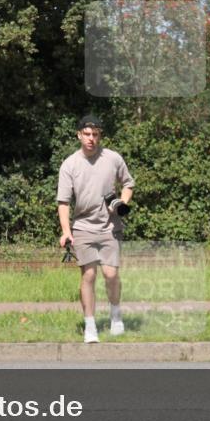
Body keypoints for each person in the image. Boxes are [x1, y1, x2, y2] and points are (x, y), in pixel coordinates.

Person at [57, 115, 135, 343]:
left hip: (110, 227)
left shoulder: (112, 158)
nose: (91, 139)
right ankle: (90, 326)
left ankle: (115, 315)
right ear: (79, 135)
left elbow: (128, 183)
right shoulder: (69, 164)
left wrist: (122, 203)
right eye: (87, 134)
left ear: (100, 135)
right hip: (82, 227)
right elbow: (63, 202)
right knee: (88, 275)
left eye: (96, 134)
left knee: (111, 274)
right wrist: (66, 231)